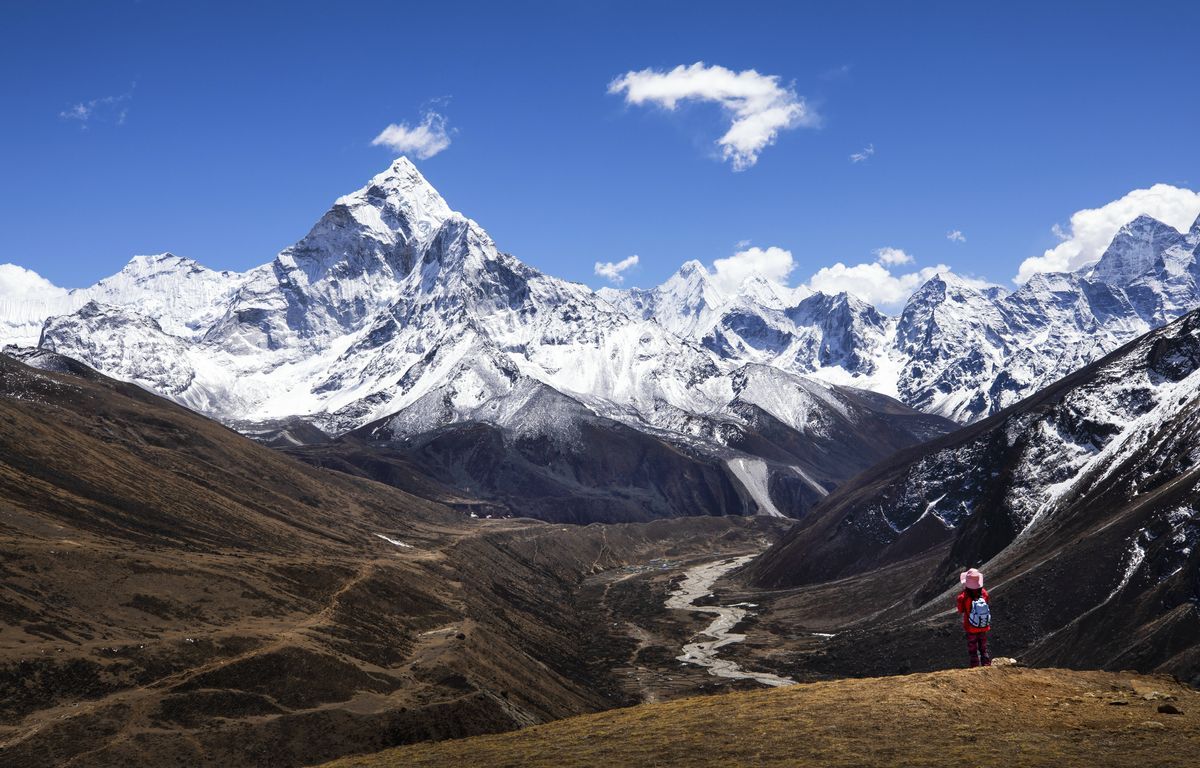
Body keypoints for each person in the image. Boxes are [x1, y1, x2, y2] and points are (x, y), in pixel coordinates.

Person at [956, 568, 991, 667]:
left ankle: (975, 666)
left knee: (973, 647)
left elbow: (961, 610)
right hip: (983, 624)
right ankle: (986, 664)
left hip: (970, 626)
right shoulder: (984, 593)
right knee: (983, 647)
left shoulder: (963, 596)